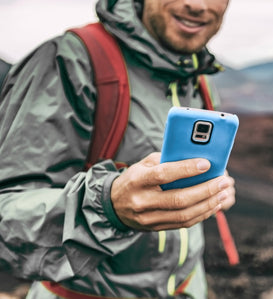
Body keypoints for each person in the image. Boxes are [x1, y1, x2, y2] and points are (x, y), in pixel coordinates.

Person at [0, 0, 235, 298]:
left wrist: (214, 189)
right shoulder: (69, 61)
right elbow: (7, 215)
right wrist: (107, 206)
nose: (196, 4)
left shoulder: (197, 76)